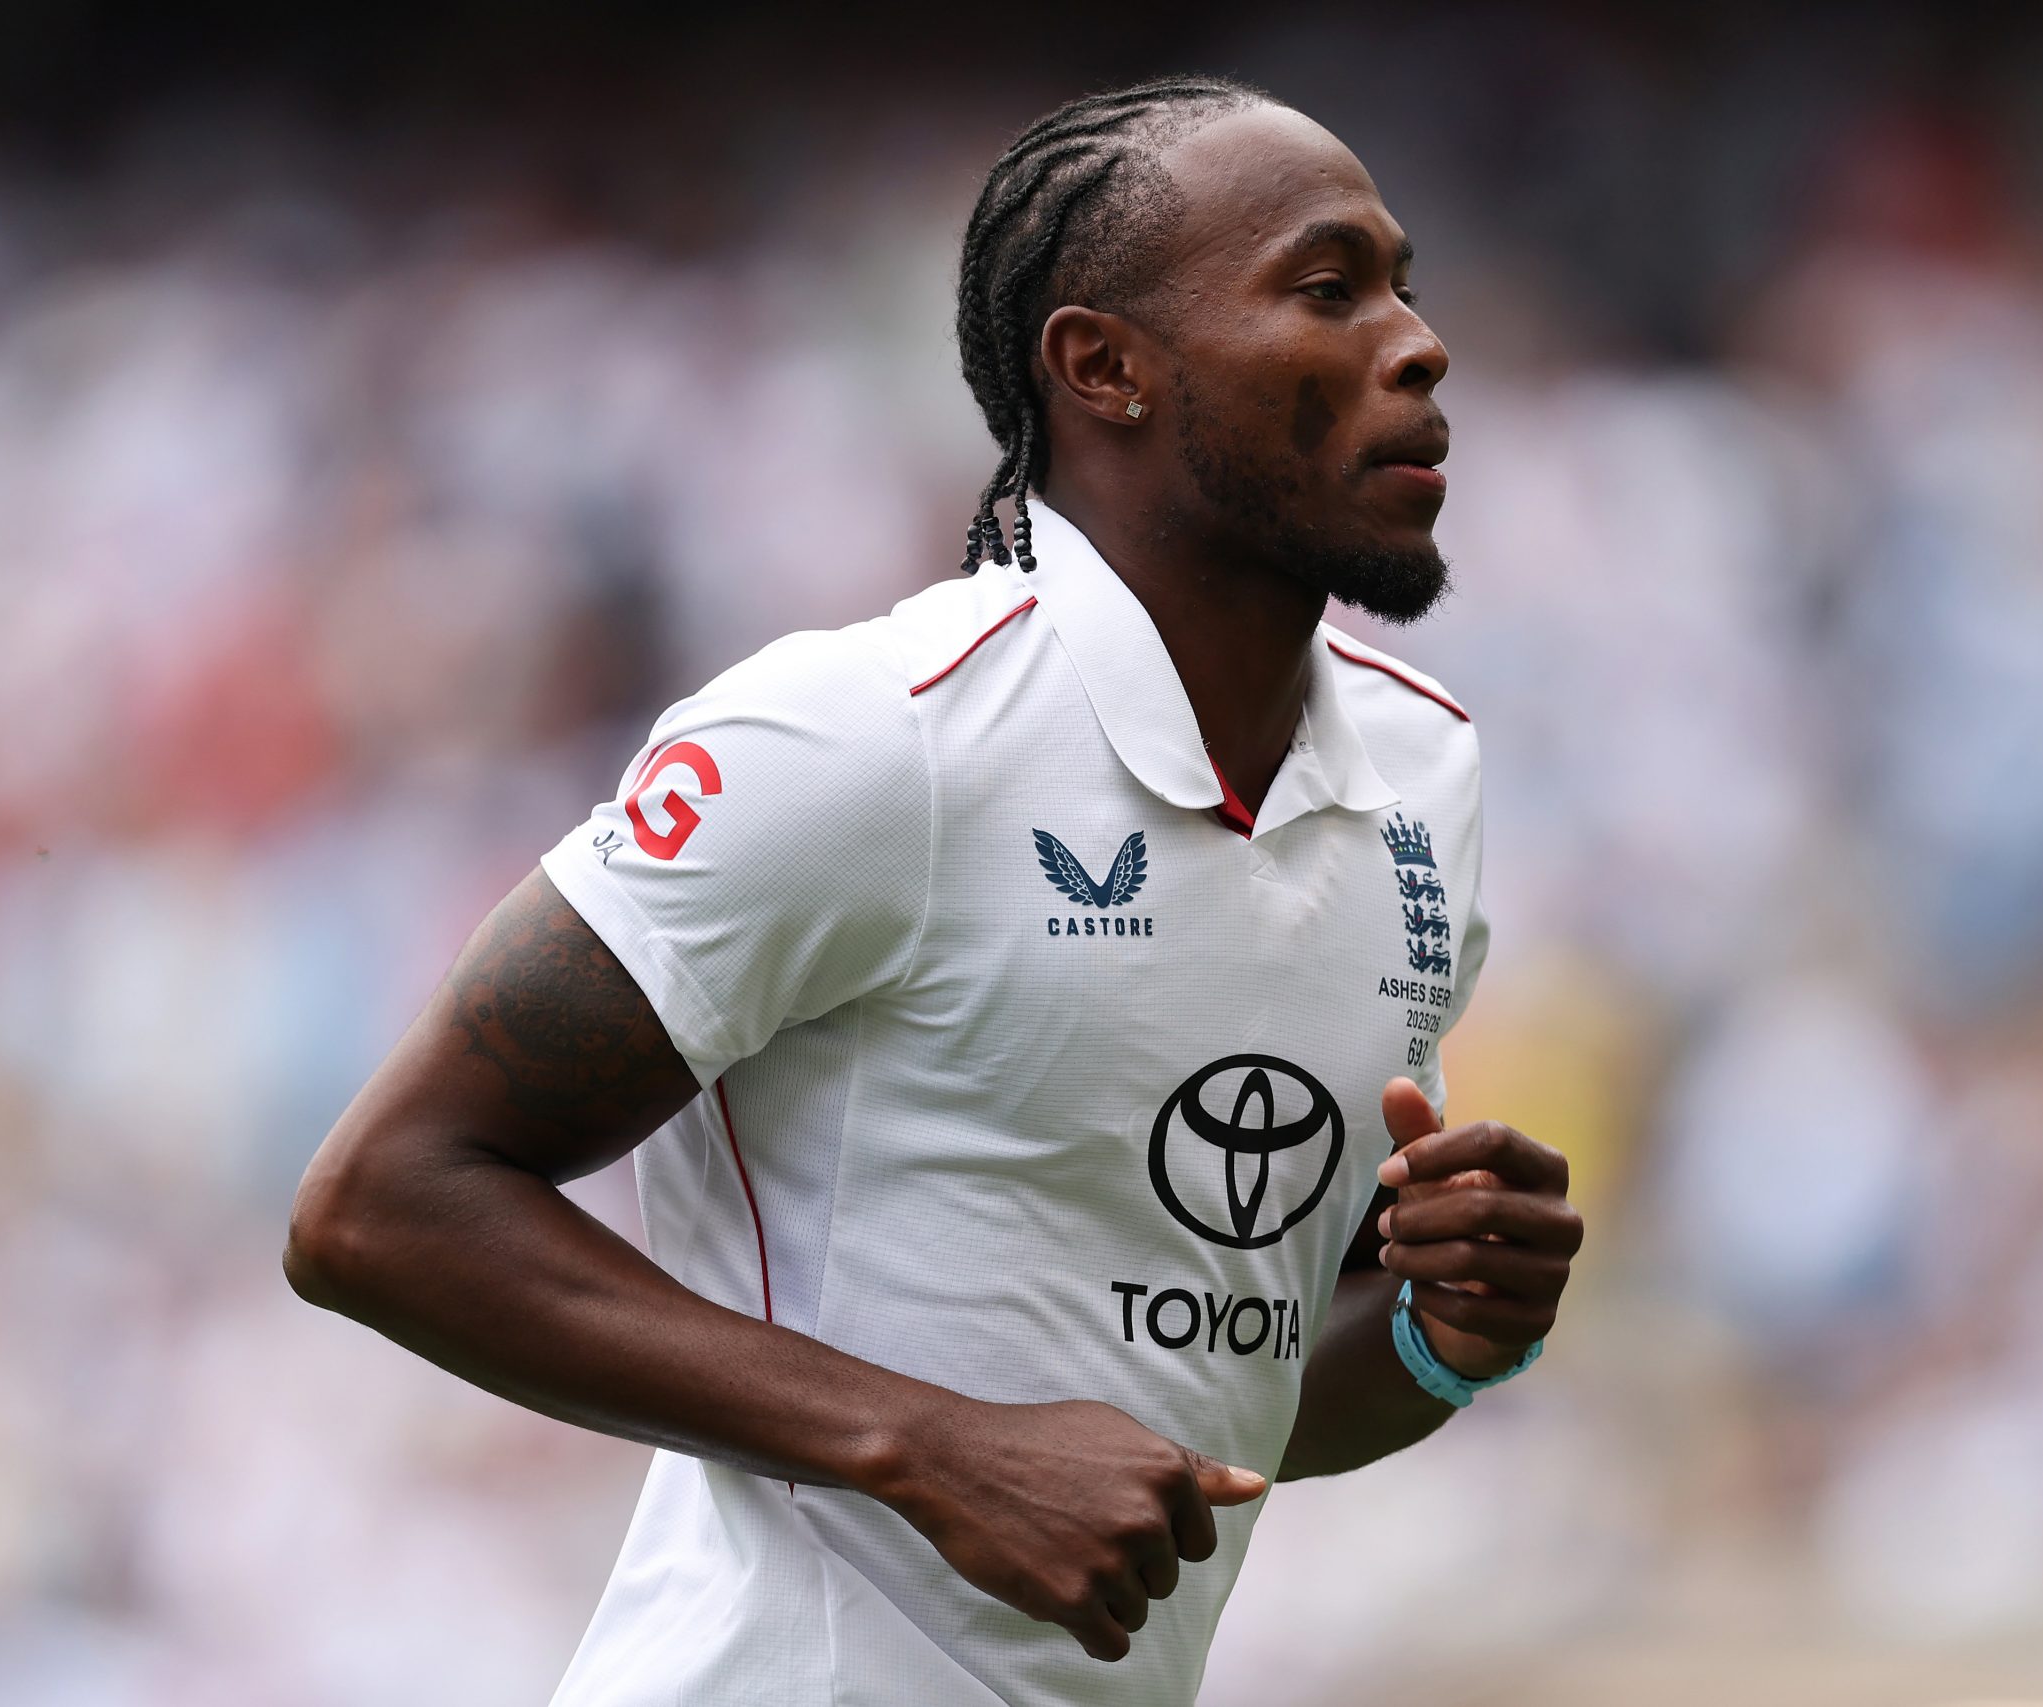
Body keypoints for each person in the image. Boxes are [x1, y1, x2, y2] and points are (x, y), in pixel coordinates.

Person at [285, 73, 1584, 1707]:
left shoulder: (1421, 776)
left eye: (1405, 285)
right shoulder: (868, 737)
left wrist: (1444, 1333)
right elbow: (380, 1206)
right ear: (1102, 367)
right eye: (1330, 290)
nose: (1418, 344)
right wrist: (925, 1444)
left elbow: (1224, 1407)